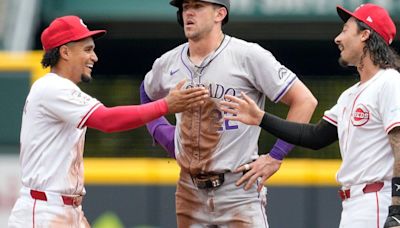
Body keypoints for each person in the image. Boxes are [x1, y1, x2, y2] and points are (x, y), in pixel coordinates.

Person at [7, 15, 209, 228]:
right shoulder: (52, 88)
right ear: (65, 52)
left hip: (64, 208)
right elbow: (107, 120)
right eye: (87, 49)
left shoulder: (59, 90)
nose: (94, 57)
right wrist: (166, 105)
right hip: (44, 212)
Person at [220, 3, 400, 228]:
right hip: (355, 204)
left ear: (365, 34)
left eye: (345, 30)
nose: (337, 38)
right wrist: (261, 118)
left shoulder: (390, 82)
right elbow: (315, 137)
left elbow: (399, 142)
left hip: (378, 201)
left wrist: (397, 207)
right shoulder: (350, 95)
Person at [140, 0, 317, 226]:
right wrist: (161, 132)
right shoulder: (169, 62)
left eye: (198, 6)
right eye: (185, 7)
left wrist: (276, 157)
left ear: (220, 13)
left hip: (238, 189)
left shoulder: (247, 56)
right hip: (189, 191)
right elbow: (146, 92)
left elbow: (304, 101)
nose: (189, 13)